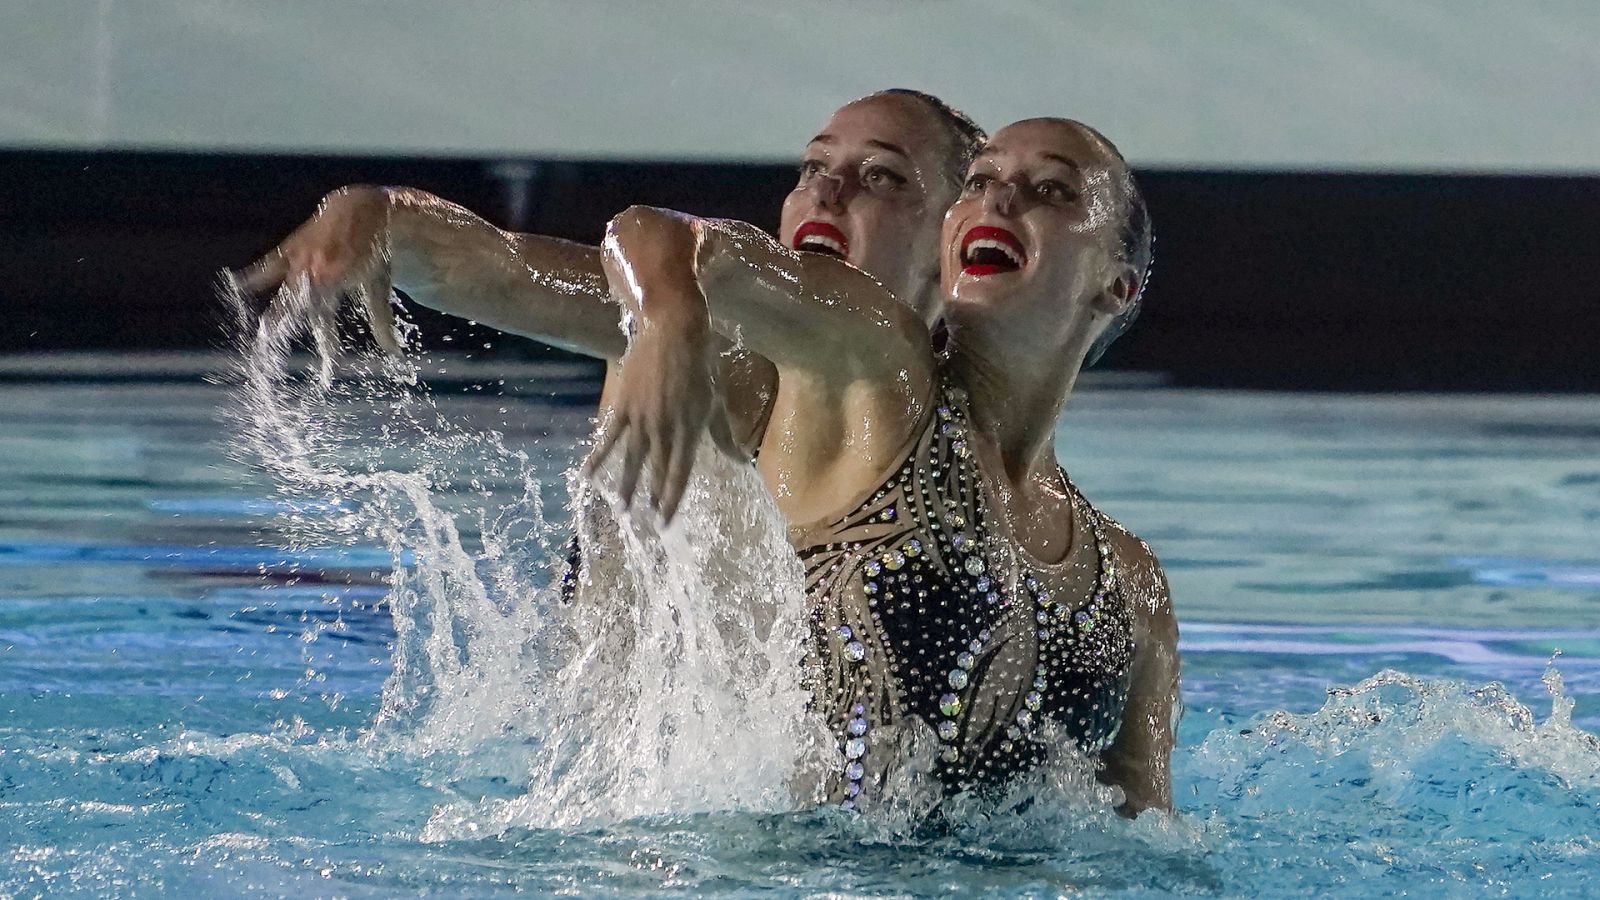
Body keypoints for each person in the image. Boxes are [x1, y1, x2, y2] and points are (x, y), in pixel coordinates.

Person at [592, 118, 1177, 816]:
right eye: (979, 182)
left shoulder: (1132, 584)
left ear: (1118, 285)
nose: (997, 202)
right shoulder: (873, 379)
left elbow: (1148, 833)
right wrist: (667, 322)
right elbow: (663, 232)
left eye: (1050, 190)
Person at [235, 90, 984, 520]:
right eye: (814, 166)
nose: (826, 189)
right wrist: (379, 216)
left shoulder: (964, 450)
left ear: (954, 240)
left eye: (882, 178)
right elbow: (499, 269)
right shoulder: (686, 321)